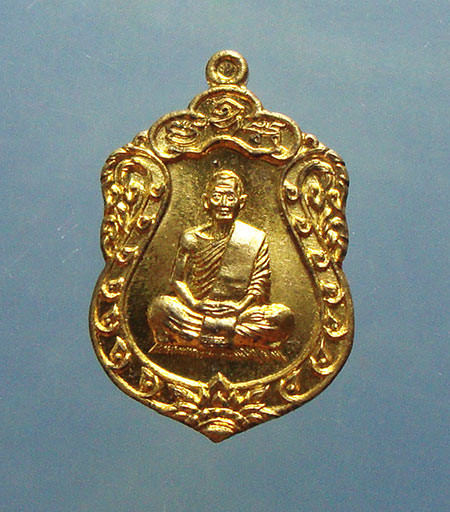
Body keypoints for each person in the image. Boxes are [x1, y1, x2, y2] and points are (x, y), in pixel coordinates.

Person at [148, 169, 294, 353]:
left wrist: (239, 307)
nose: (224, 204)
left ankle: (193, 336)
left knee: (283, 318)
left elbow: (260, 285)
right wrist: (194, 304)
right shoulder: (191, 238)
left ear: (241, 202)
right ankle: (235, 337)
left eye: (230, 197)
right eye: (217, 197)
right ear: (206, 201)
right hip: (196, 312)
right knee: (160, 307)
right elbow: (177, 280)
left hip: (240, 314)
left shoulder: (254, 238)